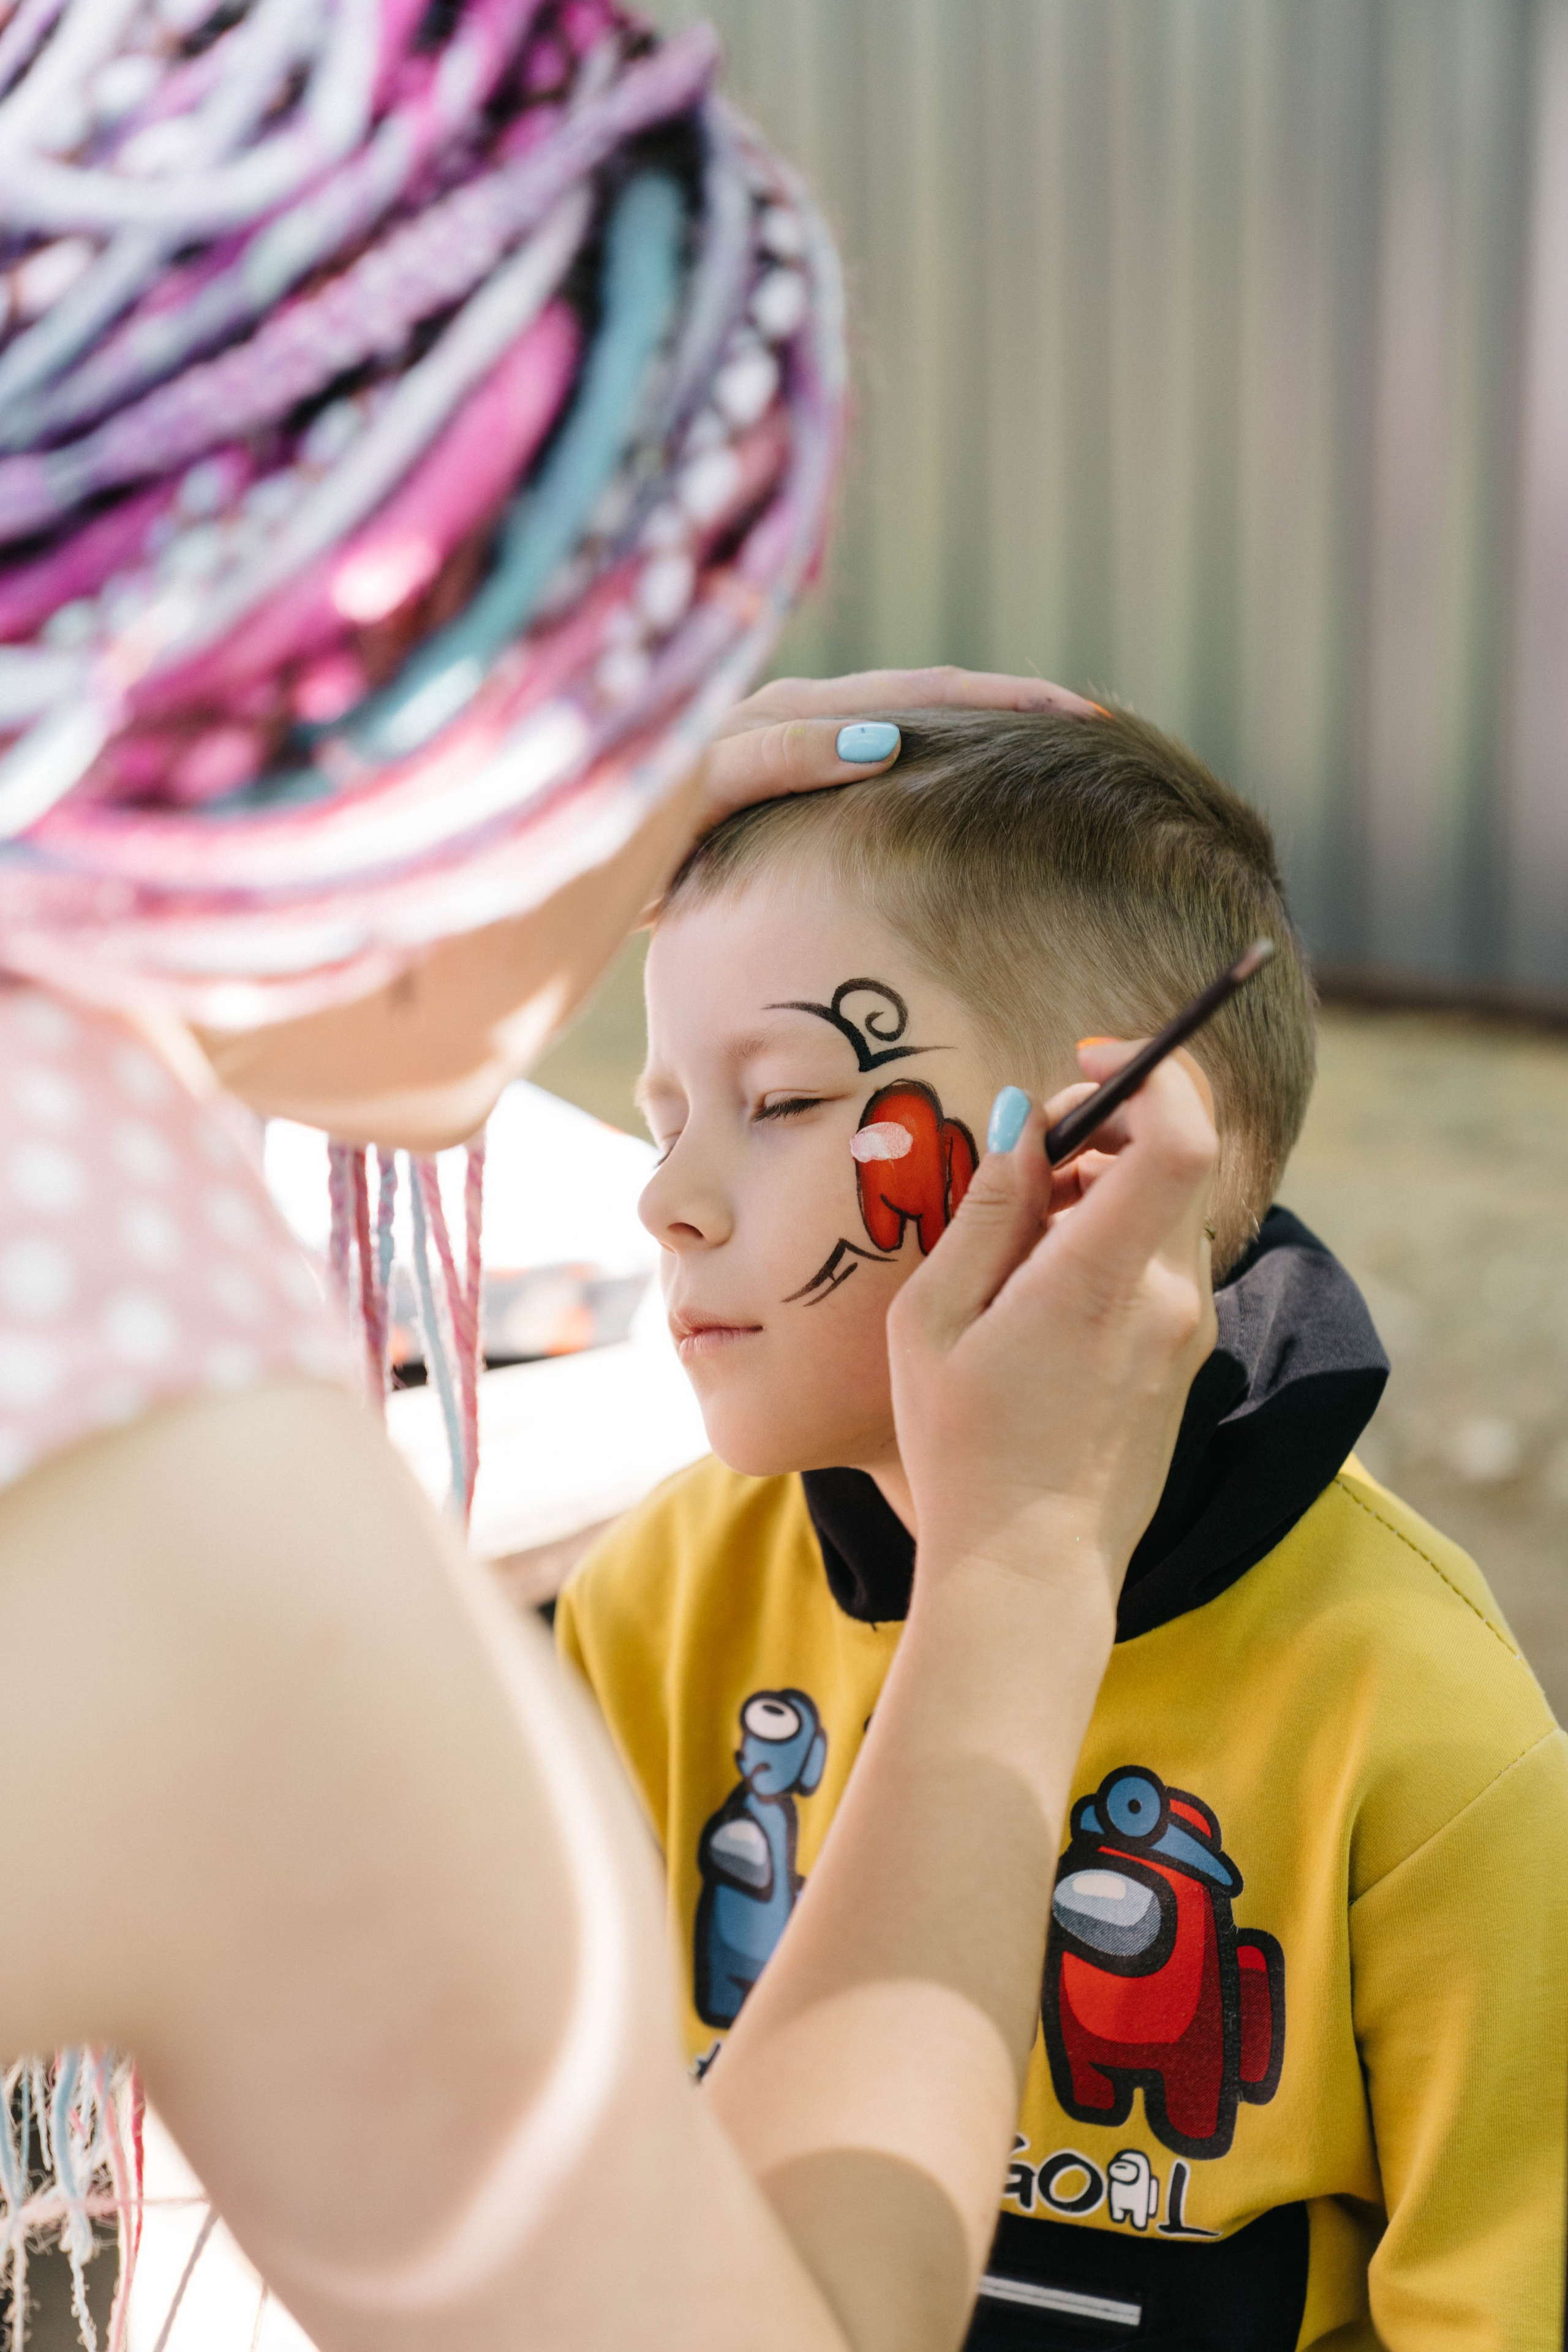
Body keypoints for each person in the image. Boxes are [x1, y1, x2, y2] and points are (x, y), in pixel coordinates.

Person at [556, 703, 1568, 2350]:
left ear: (1103, 1163)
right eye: (668, 1107)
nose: (667, 1196)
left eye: (790, 1100)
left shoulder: (1415, 1718)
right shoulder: (654, 1602)